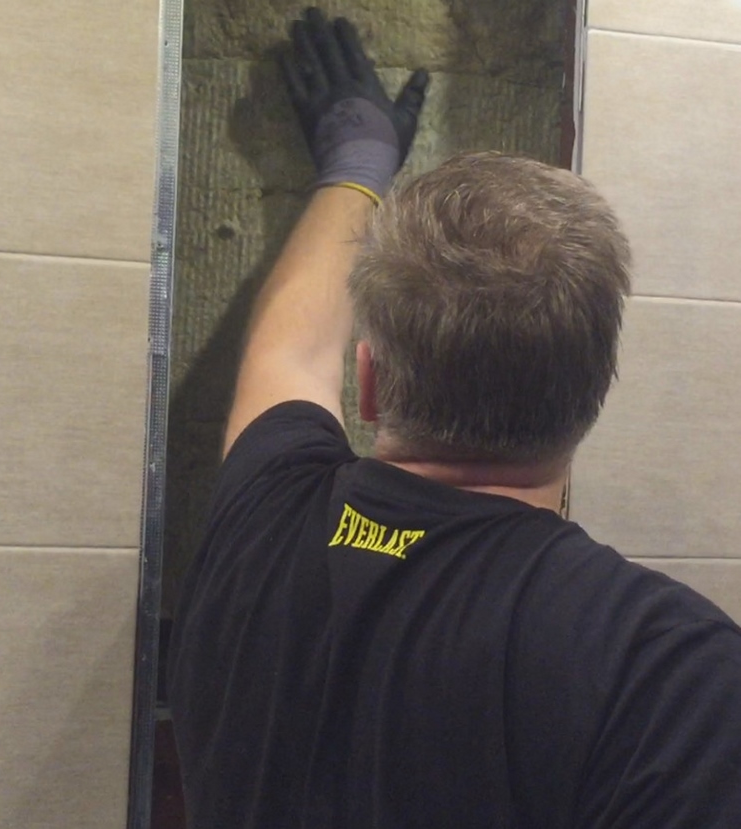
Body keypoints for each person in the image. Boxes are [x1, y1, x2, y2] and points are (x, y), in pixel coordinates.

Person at [168, 8, 741, 828]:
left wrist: (358, 165)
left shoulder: (264, 515)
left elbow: (289, 353)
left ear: (369, 383)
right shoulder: (660, 665)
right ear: (592, 396)